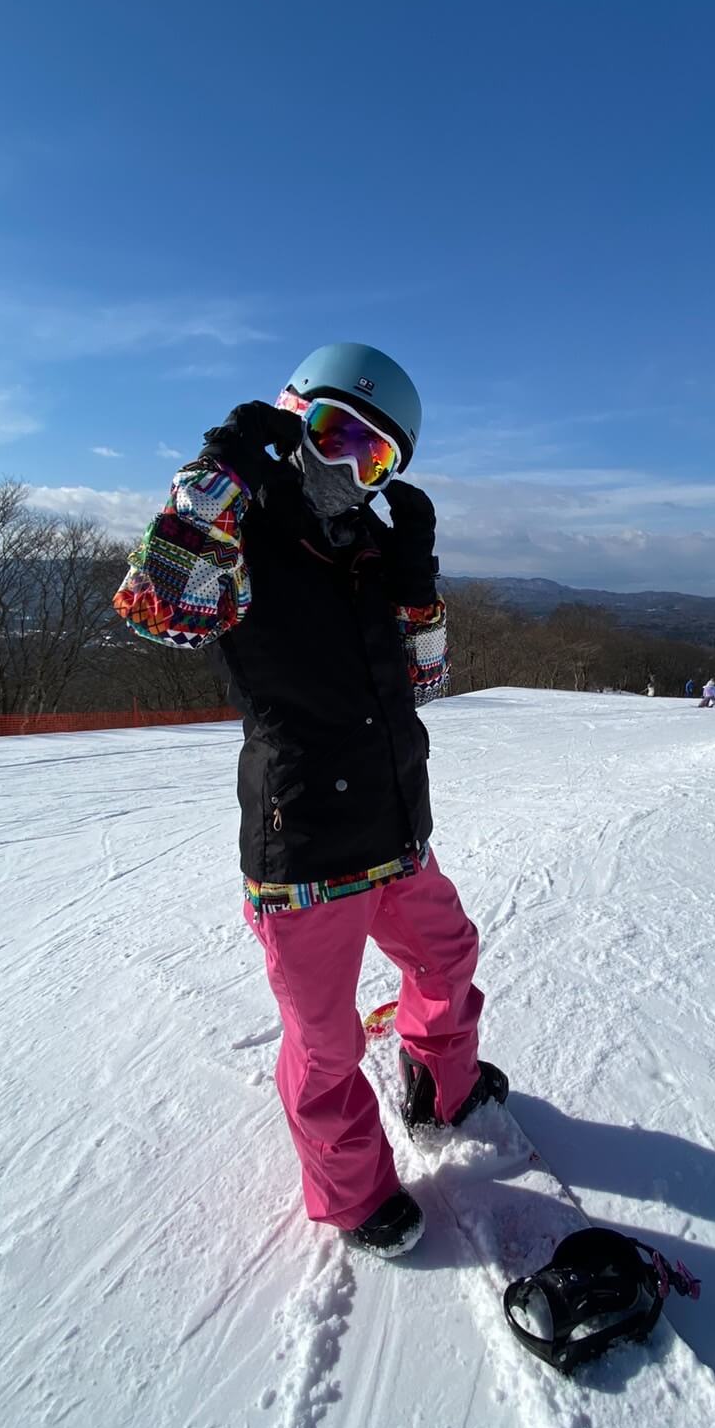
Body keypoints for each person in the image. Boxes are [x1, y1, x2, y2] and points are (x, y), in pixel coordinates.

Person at [113, 343, 507, 1258]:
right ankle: (351, 1191)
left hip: (398, 823)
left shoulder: (369, 551)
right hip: (305, 851)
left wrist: (417, 586)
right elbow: (158, 610)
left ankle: (441, 1087)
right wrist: (216, 482)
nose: (345, 470)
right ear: (291, 425)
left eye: (371, 458)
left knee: (446, 962)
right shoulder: (242, 541)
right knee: (326, 1043)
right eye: (331, 435)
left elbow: (430, 679)